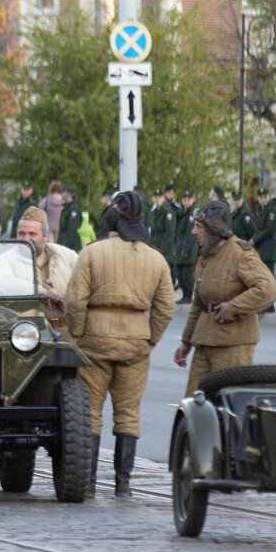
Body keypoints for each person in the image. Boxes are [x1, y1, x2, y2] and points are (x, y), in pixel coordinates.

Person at [63, 190, 176, 498]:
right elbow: (166, 308)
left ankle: (87, 481)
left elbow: (75, 301)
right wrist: (149, 337)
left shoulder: (92, 252)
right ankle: (123, 483)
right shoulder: (156, 258)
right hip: (136, 341)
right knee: (128, 413)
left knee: (91, 413)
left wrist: (78, 333)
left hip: (94, 340)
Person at [175, 200, 276, 396]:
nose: (193, 232)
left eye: (199, 227)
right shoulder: (205, 257)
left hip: (233, 346)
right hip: (204, 343)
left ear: (214, 230)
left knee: (228, 408)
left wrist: (234, 307)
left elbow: (268, 289)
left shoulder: (240, 253)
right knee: (194, 406)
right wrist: (186, 342)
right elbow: (198, 303)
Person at [172, 187, 200, 303]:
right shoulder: (183, 212)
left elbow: (191, 232)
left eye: (188, 199)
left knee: (187, 272)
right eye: (184, 199)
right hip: (180, 244)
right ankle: (184, 294)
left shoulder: (193, 212)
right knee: (179, 271)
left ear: (193, 199)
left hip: (189, 246)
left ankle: (188, 295)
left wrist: (185, 249)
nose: (186, 202)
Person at [148, 185, 178, 258]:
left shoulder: (168, 212)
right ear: (153, 199)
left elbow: (170, 232)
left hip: (165, 248)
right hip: (155, 245)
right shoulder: (153, 212)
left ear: (163, 198)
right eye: (155, 197)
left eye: (159, 197)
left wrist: (163, 248)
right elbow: (152, 231)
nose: (157, 199)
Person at [56, 186, 83, 251]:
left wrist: (65, 246)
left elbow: (72, 229)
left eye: (62, 192)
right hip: (63, 241)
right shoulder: (67, 207)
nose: (61, 194)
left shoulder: (74, 209)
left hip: (70, 246)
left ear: (68, 194)